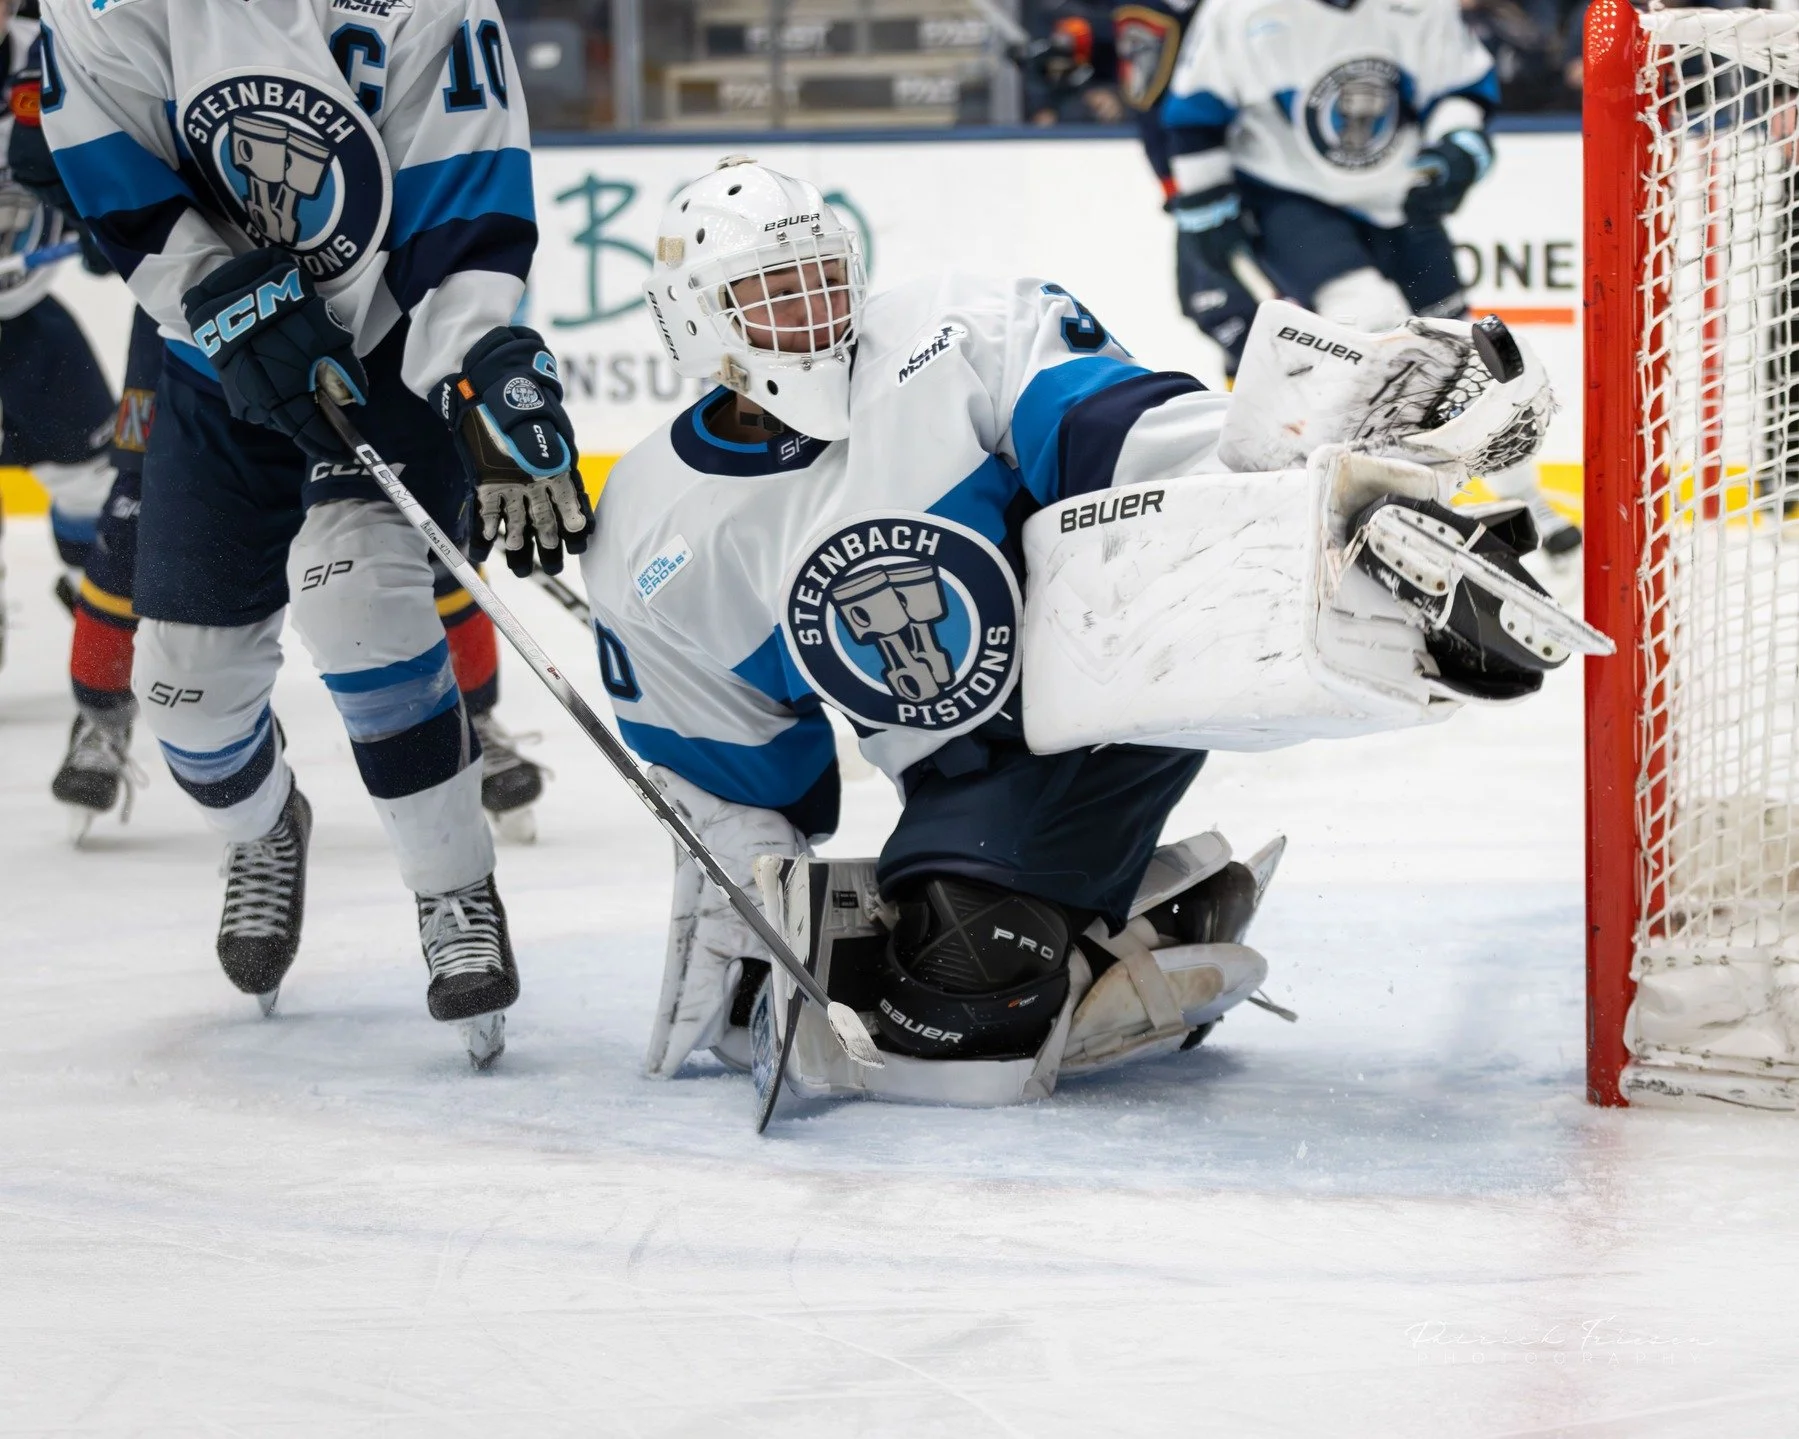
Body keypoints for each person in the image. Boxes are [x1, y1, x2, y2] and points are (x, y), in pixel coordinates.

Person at [581, 160, 1570, 1104]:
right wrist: (750, 898)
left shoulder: (951, 330)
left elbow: (1110, 429)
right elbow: (747, 776)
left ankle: (1365, 577)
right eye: (774, 293)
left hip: (1114, 670)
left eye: (824, 277)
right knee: (941, 1036)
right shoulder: (654, 525)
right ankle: (1138, 923)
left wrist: (1290, 472)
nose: (816, 310)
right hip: (962, 776)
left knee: (963, 988)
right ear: (697, 318)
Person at [38, 0, 590, 1061]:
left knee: (359, 594)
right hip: (211, 365)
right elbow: (112, 163)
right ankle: (264, 828)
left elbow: (461, 188)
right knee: (184, 691)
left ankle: (452, 889)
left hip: (382, 349)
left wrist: (476, 362)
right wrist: (224, 298)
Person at [1158, 0, 1579, 552]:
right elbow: (1195, 114)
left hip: (1399, 194)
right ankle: (1399, 506)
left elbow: (1460, 85)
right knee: (1372, 320)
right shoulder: (1240, 12)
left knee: (1467, 347)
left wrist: (1456, 147)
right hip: (1288, 196)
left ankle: (1525, 497)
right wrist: (1205, 199)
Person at [0, 0, 115, 684]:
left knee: (94, 478)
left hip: (28, 321)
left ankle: (95, 601)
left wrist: (106, 214)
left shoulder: (51, 50)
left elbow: (108, 137)